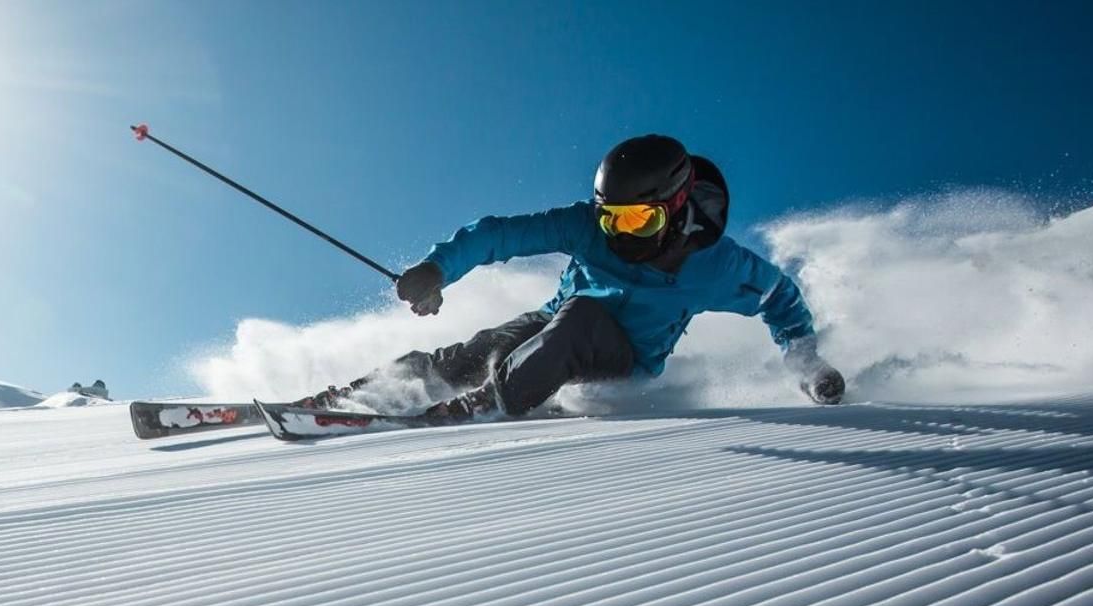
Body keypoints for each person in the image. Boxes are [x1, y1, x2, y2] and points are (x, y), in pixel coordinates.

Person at [297, 134, 845, 418]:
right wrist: (438, 268)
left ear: (676, 207)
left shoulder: (715, 265)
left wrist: (808, 364)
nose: (621, 234)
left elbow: (780, 299)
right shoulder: (586, 228)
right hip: (554, 325)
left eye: (639, 220)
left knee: (577, 320)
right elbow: (498, 235)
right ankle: (361, 396)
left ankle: (487, 404)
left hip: (623, 356)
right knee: (479, 351)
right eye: (611, 219)